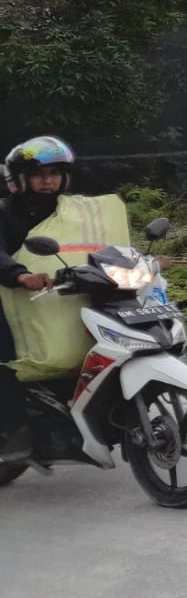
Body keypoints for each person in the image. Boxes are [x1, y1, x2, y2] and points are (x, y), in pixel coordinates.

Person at [0, 136, 72, 462]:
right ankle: (15, 425)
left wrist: (142, 259)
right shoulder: (4, 214)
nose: (48, 181)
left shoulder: (74, 213)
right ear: (19, 180)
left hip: (61, 294)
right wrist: (20, 274)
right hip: (11, 296)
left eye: (55, 173)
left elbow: (99, 242)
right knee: (4, 349)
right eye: (40, 174)